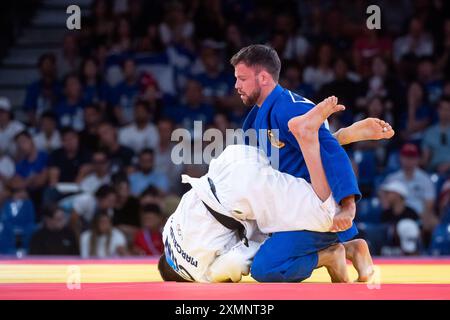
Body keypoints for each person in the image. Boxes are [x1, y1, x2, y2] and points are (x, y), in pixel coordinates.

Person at [158, 99, 394, 283]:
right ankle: (330, 139)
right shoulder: (168, 232)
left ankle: (331, 254)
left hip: (241, 199)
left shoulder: (199, 272)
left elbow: (235, 263)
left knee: (266, 266)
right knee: (281, 166)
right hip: (226, 166)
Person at [231, 44, 364, 282]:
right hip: (283, 210)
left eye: (242, 78)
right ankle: (350, 249)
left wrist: (348, 205)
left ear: (263, 78)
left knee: (265, 269)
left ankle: (331, 254)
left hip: (312, 212)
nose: (236, 86)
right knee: (238, 254)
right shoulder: (254, 120)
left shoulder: (289, 107)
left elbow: (329, 151)